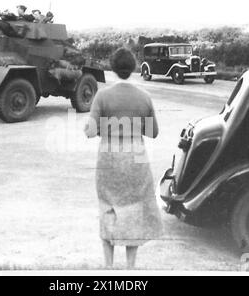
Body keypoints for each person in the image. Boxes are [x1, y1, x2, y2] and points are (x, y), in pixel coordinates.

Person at [84, 48, 163, 269]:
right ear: (133, 67)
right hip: (136, 158)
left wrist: (100, 128)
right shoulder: (144, 97)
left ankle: (108, 268)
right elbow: (153, 132)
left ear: (113, 67)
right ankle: (130, 268)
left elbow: (90, 131)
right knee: (133, 210)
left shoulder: (102, 96)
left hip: (109, 158)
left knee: (108, 208)